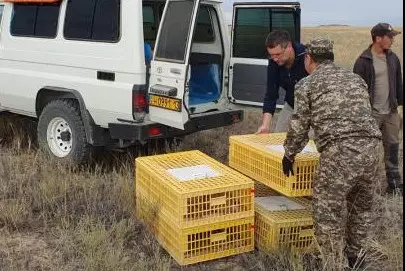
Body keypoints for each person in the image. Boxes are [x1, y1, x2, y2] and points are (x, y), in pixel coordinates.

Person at [281, 38, 382, 269]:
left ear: (309, 59)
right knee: (361, 208)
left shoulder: (307, 84)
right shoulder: (356, 79)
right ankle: (357, 257)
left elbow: (299, 126)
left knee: (328, 212)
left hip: (340, 153)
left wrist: (289, 154)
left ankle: (335, 264)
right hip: (372, 149)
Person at [353, 23, 403, 195]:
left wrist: (399, 107)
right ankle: (366, 189)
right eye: (390, 37)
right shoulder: (362, 61)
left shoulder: (393, 58)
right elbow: (357, 92)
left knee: (393, 148)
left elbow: (398, 84)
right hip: (371, 114)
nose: (392, 40)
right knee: (368, 152)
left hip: (391, 113)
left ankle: (394, 185)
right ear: (378, 38)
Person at [256, 30, 308, 134]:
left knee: (307, 141)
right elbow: (271, 94)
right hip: (291, 104)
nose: (274, 59)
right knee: (279, 135)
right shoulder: (274, 62)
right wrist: (265, 125)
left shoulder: (307, 57)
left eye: (278, 54)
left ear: (289, 46)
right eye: (271, 55)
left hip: (310, 107)